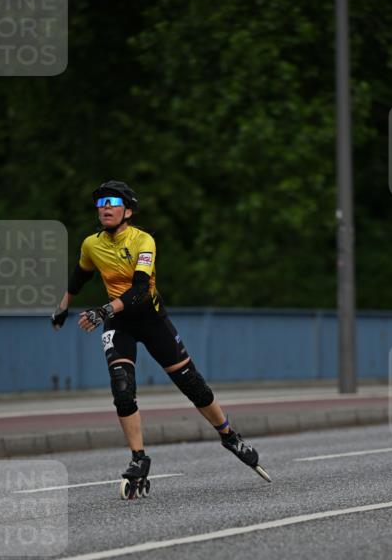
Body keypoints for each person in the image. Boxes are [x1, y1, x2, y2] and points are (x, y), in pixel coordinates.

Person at [51, 180, 267, 492]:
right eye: (101, 203)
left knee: (192, 384)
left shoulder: (144, 241)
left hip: (152, 321)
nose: (106, 208)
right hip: (119, 324)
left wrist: (102, 311)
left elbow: (140, 290)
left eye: (113, 202)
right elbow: (79, 276)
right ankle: (138, 459)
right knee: (122, 388)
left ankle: (229, 436)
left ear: (127, 211)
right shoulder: (91, 245)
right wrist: (62, 307)